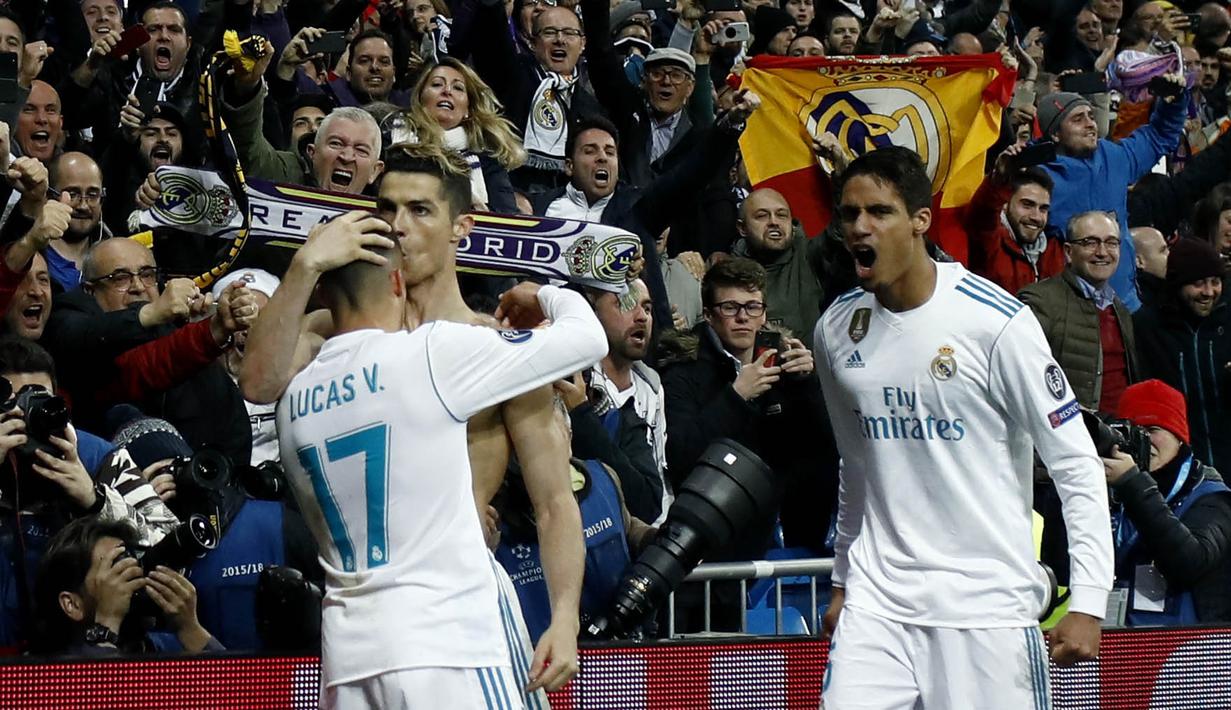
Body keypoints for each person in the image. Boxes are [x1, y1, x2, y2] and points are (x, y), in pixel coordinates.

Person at [266, 146, 606, 706]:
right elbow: (257, 380)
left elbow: (553, 499)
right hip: (410, 627)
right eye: (387, 208)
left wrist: (565, 615)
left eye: (420, 210)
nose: (398, 227)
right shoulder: (327, 332)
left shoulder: (490, 346)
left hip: (446, 611)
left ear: (462, 228)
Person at [816, 147, 1112, 708]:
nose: (859, 227)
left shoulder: (995, 322)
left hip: (986, 609)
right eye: (849, 214)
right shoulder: (836, 328)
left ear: (921, 221)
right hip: (878, 605)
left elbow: (1074, 461)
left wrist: (1090, 600)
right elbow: (854, 462)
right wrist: (843, 578)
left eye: (879, 212)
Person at [1037, 79, 1187, 312]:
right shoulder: (1038, 178)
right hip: (1070, 310)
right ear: (1055, 134)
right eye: (1078, 119)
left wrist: (1174, 101)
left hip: (1124, 304)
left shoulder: (1114, 157)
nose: (1090, 124)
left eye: (1090, 116)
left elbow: (1159, 136)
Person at [1104, 380, 1231, 625]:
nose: (1143, 440)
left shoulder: (1213, 498)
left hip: (1186, 652)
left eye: (1152, 430)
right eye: (1133, 431)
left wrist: (1133, 484)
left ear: (1180, 438)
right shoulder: (1109, 491)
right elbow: (1062, 565)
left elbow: (1188, 565)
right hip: (1113, 645)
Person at [1020, 211, 1139, 413]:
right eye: (1090, 242)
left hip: (1119, 434)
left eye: (1111, 243)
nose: (1102, 252)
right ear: (1068, 252)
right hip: (1068, 433)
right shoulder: (1040, 301)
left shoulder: (1120, 309)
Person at [1134, 238, 1231, 471]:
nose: (1208, 292)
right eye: (1198, 283)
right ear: (1177, 285)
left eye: (1215, 282)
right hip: (1181, 464)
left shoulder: (1228, 320)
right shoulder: (1149, 328)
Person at [966, 148, 1065, 296]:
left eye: (1043, 208)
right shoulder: (991, 241)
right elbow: (983, 213)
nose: (1036, 217)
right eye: (1027, 205)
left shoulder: (1055, 251)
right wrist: (998, 181)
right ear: (1005, 203)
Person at [1130, 226, 1170, 307]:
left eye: (1168, 249)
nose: (1169, 254)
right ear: (1139, 261)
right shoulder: (1142, 305)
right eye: (1162, 251)